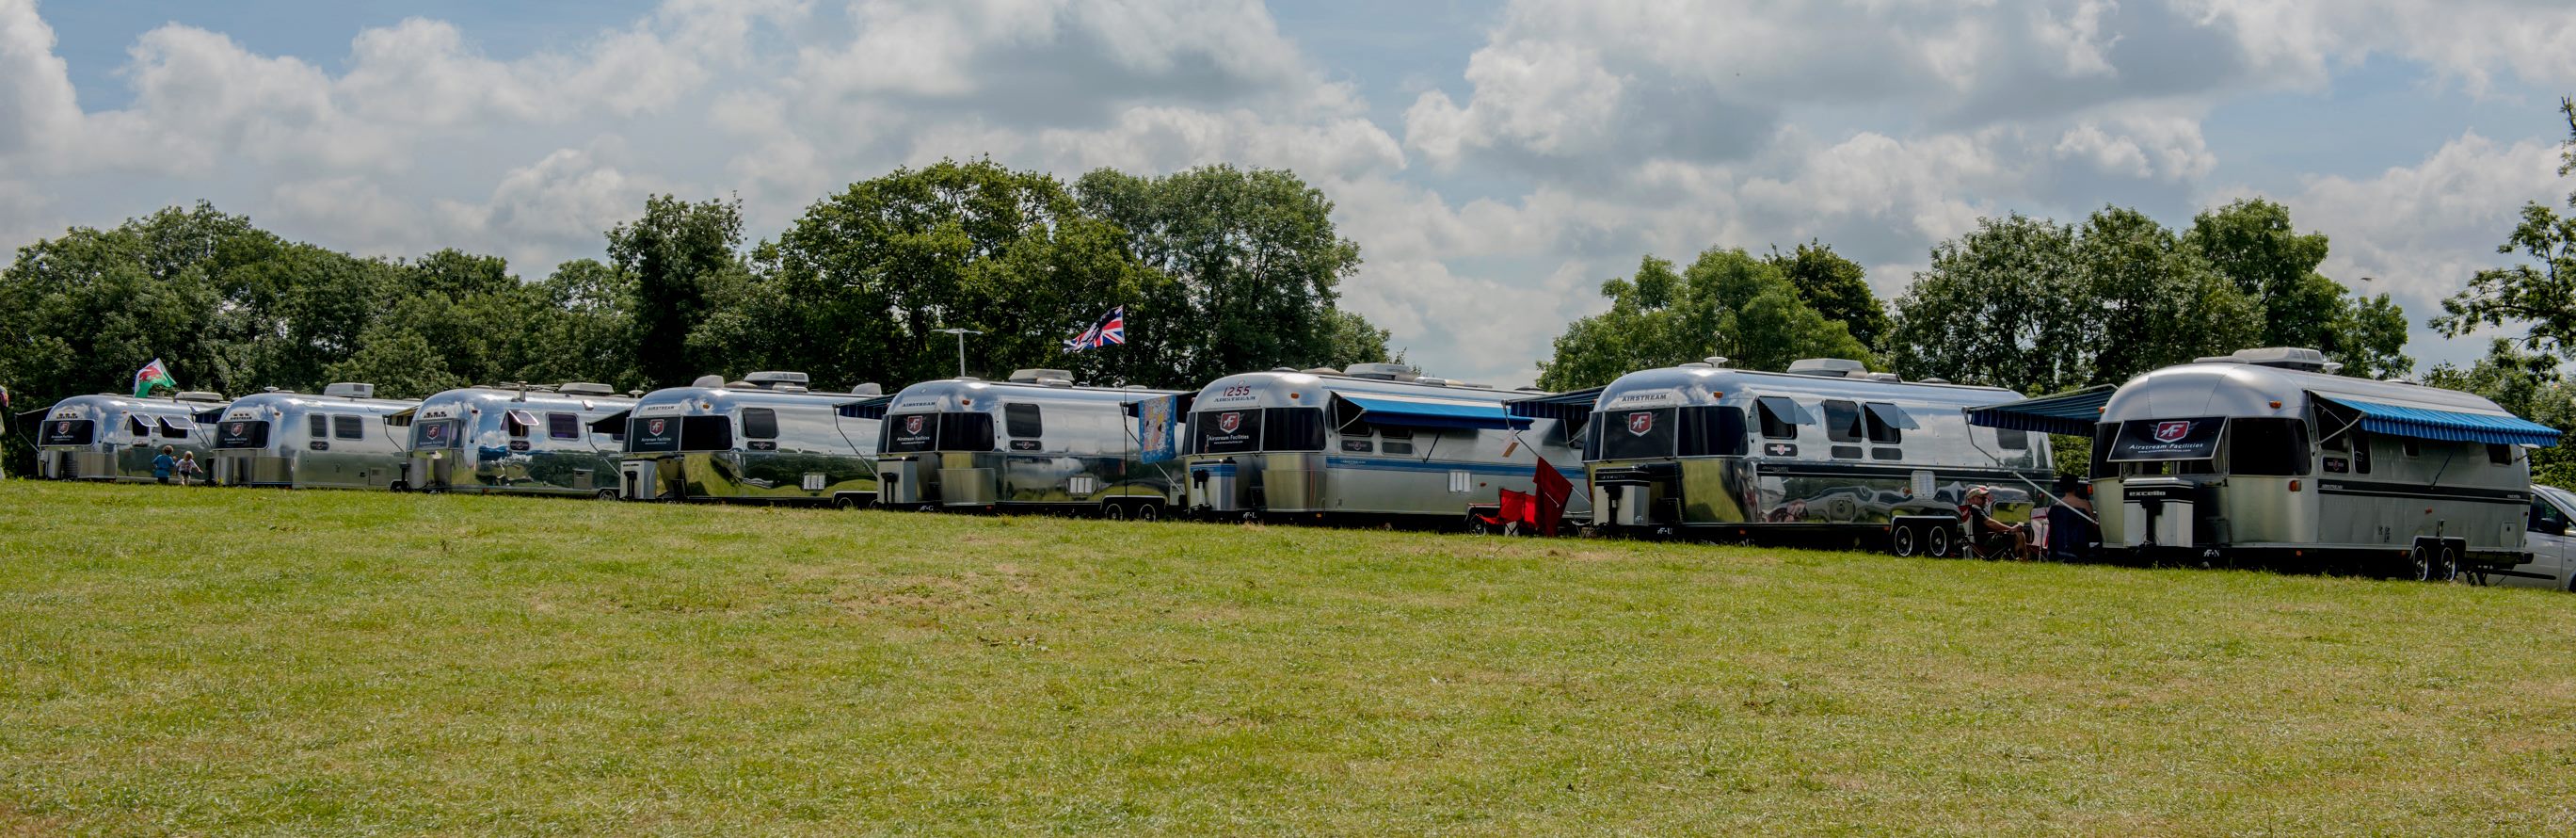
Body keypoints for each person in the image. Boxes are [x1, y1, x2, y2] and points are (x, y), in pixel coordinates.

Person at [1960, 485, 2035, 560]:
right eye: (1983, 498)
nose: (1985, 500)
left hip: (1984, 539)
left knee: (2014, 533)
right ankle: (2024, 561)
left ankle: (2018, 558)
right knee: (2018, 533)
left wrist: (2007, 530)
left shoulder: (1969, 509)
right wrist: (2011, 529)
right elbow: (1989, 523)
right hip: (1986, 541)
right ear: (1973, 498)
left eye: (1985, 498)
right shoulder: (1975, 508)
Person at [2045, 475, 2097, 561]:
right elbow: (2094, 527)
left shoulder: (2056, 507)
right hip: (2080, 546)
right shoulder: (2085, 504)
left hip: (2060, 547)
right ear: (2076, 486)